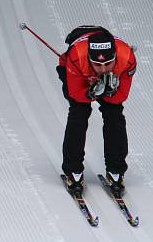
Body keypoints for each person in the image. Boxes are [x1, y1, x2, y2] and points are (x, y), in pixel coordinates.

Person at [56, 26, 137, 196]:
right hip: (78, 72)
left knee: (114, 114)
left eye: (108, 63)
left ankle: (116, 170)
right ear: (90, 59)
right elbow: (77, 95)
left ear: (115, 57)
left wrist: (109, 92)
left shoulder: (126, 59)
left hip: (103, 74)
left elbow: (120, 97)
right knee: (79, 112)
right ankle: (73, 170)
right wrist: (91, 92)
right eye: (98, 64)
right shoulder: (77, 58)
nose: (103, 69)